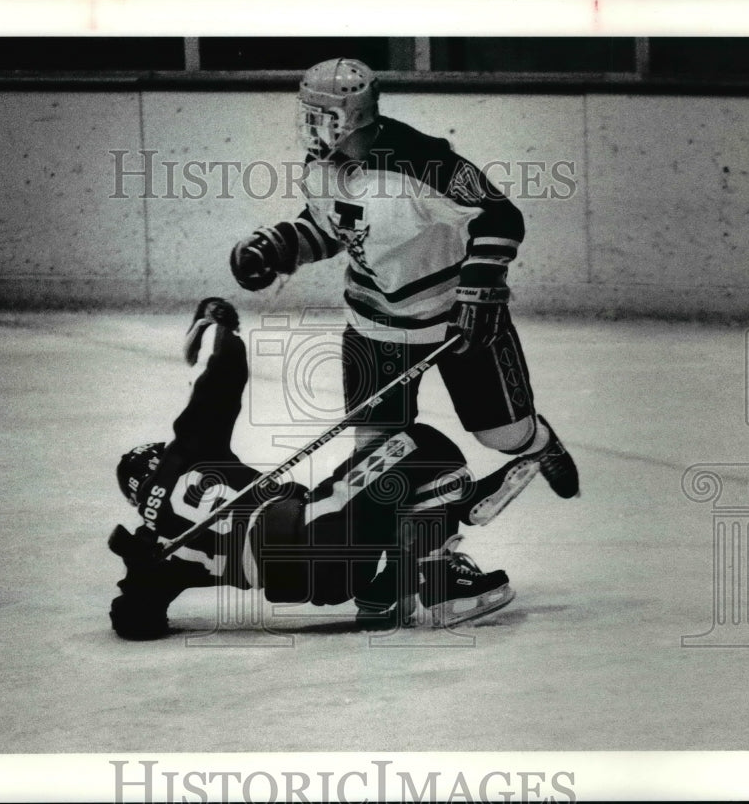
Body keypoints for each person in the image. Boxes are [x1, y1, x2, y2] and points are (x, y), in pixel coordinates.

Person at [229, 58, 579, 524]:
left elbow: (499, 214)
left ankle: (539, 444)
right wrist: (282, 246)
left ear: (349, 117)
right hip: (373, 329)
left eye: (320, 115)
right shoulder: (319, 166)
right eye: (306, 113)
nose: (308, 126)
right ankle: (433, 549)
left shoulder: (424, 160)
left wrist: (479, 290)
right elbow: (333, 227)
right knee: (379, 462)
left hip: (456, 325)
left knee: (503, 436)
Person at [108, 298, 518, 641]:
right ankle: (444, 563)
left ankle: (395, 583)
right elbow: (220, 385)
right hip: (312, 528)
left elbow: (134, 623)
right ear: (156, 459)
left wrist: (140, 577)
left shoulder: (157, 549)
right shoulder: (184, 455)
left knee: (392, 487)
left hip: (311, 582)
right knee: (419, 444)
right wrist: (223, 329)